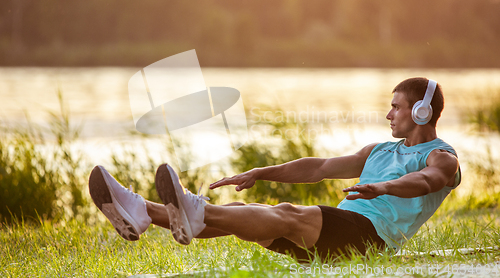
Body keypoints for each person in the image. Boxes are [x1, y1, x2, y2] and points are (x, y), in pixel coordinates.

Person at [89, 77, 460, 262]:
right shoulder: (380, 149)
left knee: (285, 213)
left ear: (421, 111)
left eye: (396, 107)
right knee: (238, 213)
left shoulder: (442, 156)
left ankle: (189, 209)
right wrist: (260, 172)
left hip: (372, 240)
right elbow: (318, 167)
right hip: (336, 236)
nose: (388, 114)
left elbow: (428, 181)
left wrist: (384, 188)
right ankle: (141, 212)